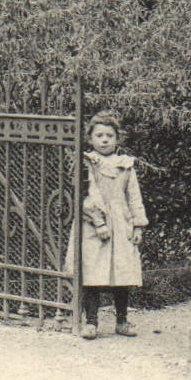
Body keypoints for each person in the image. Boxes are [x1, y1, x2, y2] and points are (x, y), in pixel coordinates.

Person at [66, 110, 147, 339]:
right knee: (92, 273)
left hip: (121, 224)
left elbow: (134, 197)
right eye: (99, 135)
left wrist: (138, 225)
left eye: (109, 136)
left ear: (117, 139)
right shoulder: (87, 162)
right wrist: (99, 222)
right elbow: (86, 194)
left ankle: (121, 321)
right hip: (92, 225)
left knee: (121, 274)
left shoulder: (125, 165)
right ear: (90, 139)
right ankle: (91, 322)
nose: (104, 140)